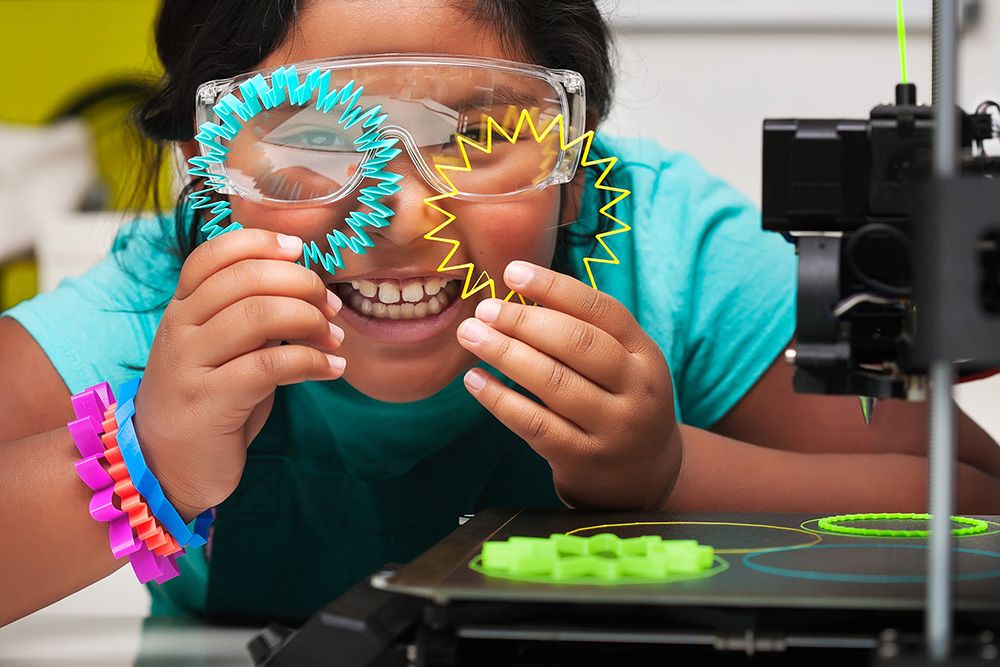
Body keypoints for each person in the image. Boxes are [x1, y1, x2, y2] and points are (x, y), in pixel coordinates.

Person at [2, 0, 998, 626]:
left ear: (575, 166)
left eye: (475, 133)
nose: (401, 217)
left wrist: (675, 471)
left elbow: (977, 506)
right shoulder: (166, 296)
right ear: (206, 176)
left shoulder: (664, 250)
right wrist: (146, 455)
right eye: (309, 133)